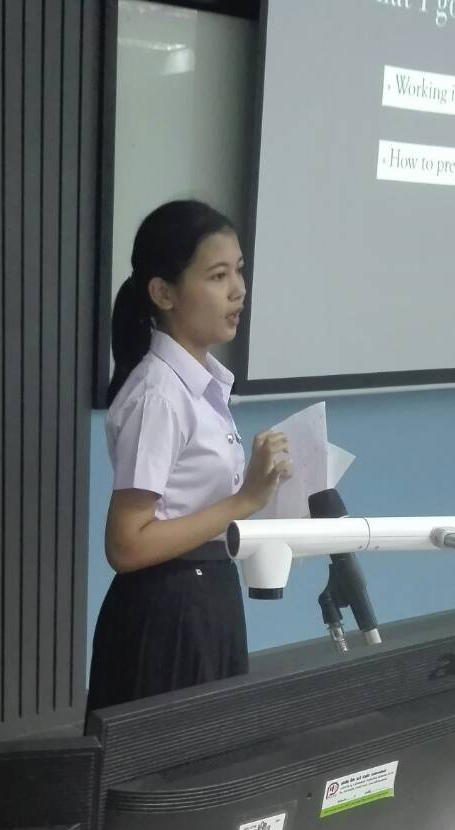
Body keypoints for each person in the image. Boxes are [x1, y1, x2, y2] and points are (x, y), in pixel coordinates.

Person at [87, 199, 291, 714]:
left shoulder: (200, 386)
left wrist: (263, 491)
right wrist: (243, 501)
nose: (238, 289)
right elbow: (126, 545)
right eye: (218, 276)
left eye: (239, 271)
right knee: (172, 762)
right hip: (169, 610)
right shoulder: (159, 395)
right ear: (164, 293)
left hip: (206, 594)